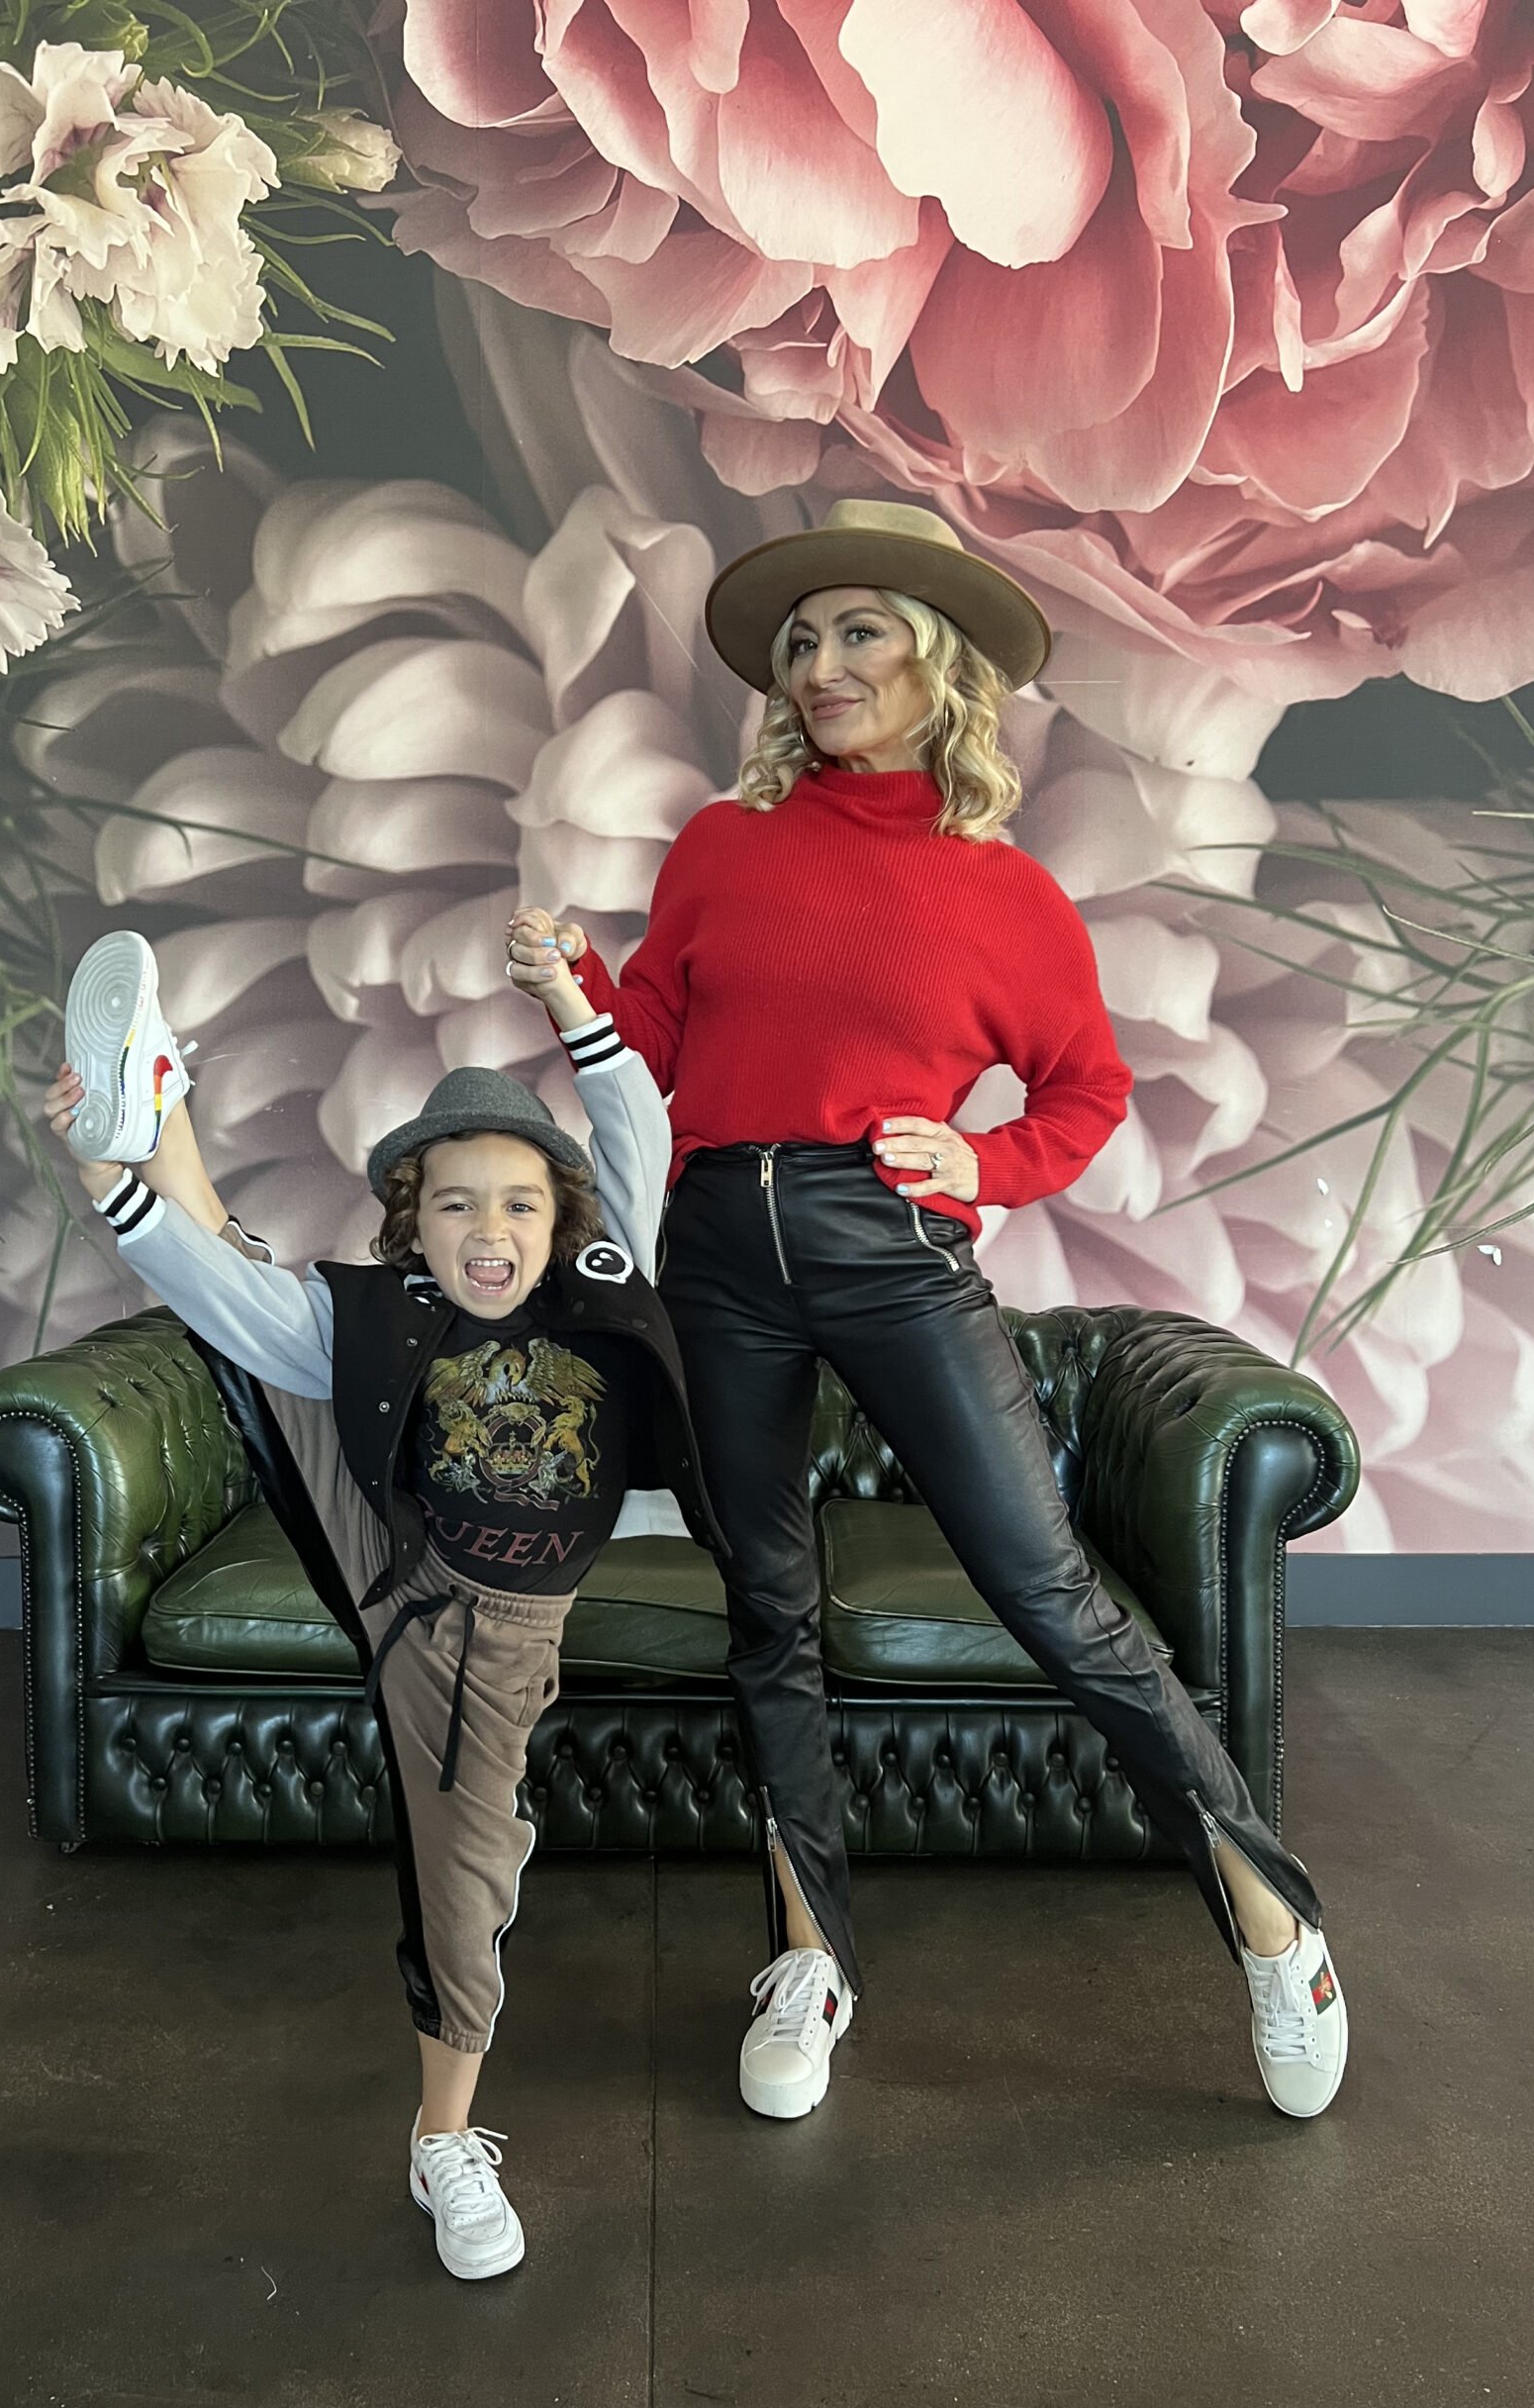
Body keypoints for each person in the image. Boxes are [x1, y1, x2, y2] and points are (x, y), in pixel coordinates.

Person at [506, 497, 1350, 2126]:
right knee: (769, 1604)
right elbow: (659, 1041)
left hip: (883, 1242)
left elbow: (1086, 1094)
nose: (820, 666)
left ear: (937, 667)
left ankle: (1269, 1915)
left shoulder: (1004, 892)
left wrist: (975, 1156)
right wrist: (571, 985)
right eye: (802, 643)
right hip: (717, 1247)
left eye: (858, 634)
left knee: (1048, 1588)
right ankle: (810, 1956)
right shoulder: (722, 849)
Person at [46, 927, 727, 2279]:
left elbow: (638, 1128)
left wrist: (567, 998)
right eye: (458, 1204)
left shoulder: (604, 1289)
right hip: (405, 1569)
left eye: (520, 1205)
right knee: (266, 1336)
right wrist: (101, 1183)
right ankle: (444, 2141)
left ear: (561, 1218)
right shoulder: (395, 1310)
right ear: (416, 1219)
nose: (491, 1230)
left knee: (269, 1329)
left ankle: (162, 1102)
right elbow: (229, 1299)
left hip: (504, 1627)